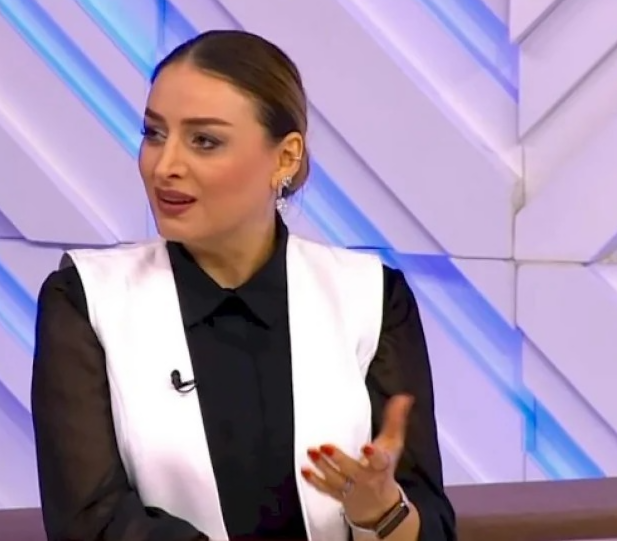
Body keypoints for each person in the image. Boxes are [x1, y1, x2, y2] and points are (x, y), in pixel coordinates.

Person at [32, 30, 456, 541]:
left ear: (286, 157)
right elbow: (91, 523)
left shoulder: (371, 298)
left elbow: (430, 524)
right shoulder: (85, 299)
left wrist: (383, 513)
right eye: (154, 133)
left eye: (204, 141)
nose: (165, 166)